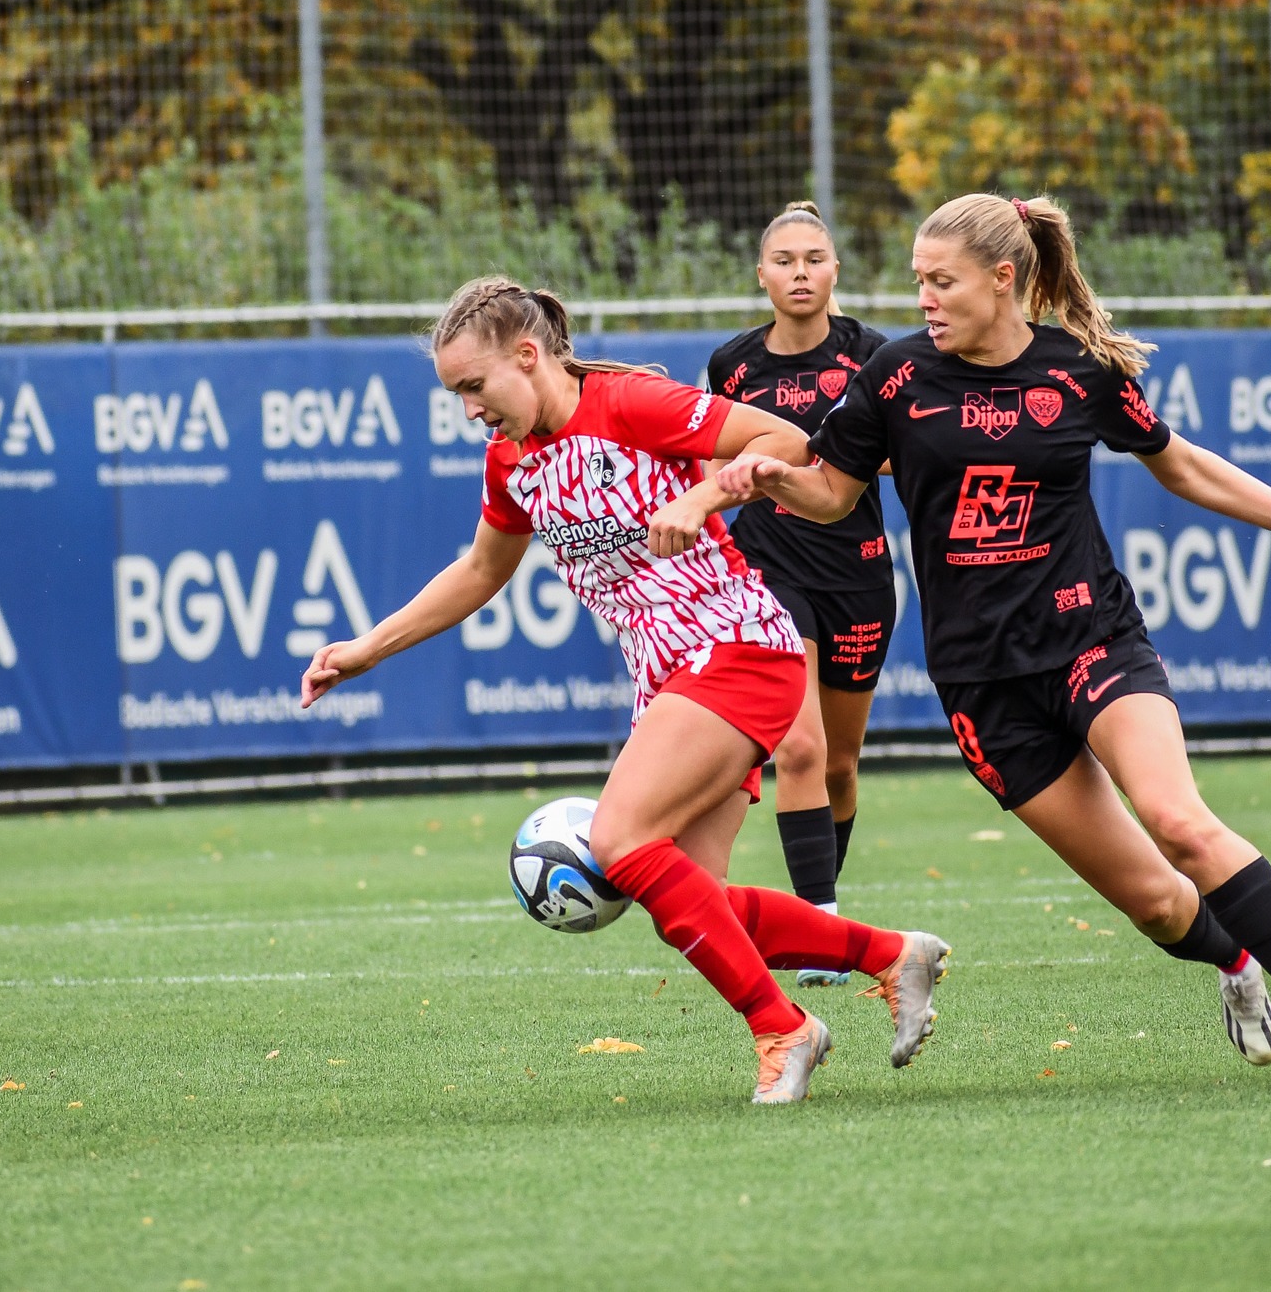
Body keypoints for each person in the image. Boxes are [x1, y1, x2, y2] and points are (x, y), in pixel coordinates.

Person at [719, 193, 1271, 1085]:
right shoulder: (893, 376)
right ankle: (1236, 967)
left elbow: (1181, 462)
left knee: (1179, 823)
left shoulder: (1075, 368)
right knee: (1160, 903)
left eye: (942, 281)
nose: (924, 298)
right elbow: (832, 492)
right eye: (919, 281)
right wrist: (766, 478)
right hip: (982, 685)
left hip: (1093, 637)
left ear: (1004, 279)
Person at [301, 277, 951, 1104]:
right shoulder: (510, 460)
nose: (468, 409)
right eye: (455, 393)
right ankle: (892, 953)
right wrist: (365, 650)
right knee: (698, 901)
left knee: (620, 839)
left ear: (528, 356)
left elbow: (788, 442)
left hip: (738, 644)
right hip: (667, 674)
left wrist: (708, 490)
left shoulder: (631, 402)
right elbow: (479, 571)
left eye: (474, 386)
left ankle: (783, 1027)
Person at [705, 201, 893, 988]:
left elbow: (904, 452)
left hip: (857, 572)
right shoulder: (731, 364)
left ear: (835, 270)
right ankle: (819, 924)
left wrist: (839, 459)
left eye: (814, 258)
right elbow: (707, 448)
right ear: (762, 275)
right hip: (767, 570)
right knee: (801, 748)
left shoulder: (877, 357)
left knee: (842, 764)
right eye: (784, 260)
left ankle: (823, 911)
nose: (800, 272)